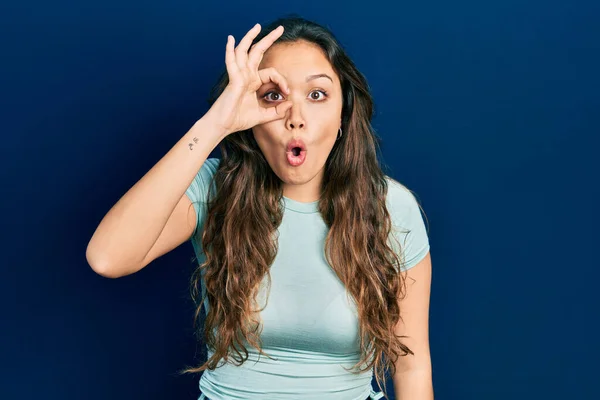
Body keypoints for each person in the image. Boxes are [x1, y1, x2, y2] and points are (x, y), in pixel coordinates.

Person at [86, 15, 433, 400]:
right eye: (274, 96)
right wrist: (218, 123)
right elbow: (108, 257)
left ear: (342, 116)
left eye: (317, 95)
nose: (295, 119)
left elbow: (412, 365)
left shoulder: (391, 207)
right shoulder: (215, 189)